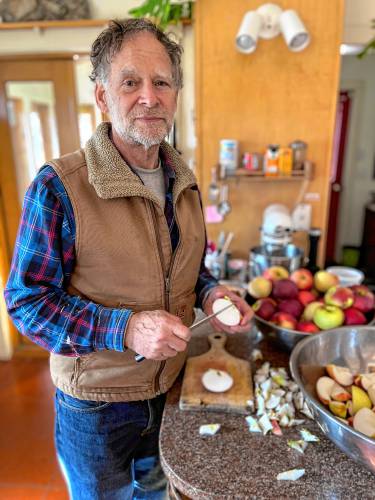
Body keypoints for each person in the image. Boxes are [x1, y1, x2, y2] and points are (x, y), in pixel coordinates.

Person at [5, 18, 253, 500]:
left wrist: (212, 291)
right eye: (130, 82)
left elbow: (188, 264)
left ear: (176, 95)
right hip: (96, 409)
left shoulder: (184, 180)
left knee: (157, 493)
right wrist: (125, 328)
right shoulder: (59, 187)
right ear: (102, 96)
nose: (149, 97)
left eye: (162, 82)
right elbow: (26, 303)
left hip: (170, 389)